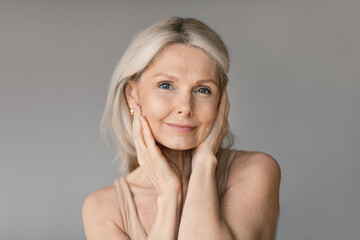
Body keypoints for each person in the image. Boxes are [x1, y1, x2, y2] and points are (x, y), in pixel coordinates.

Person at [82, 17, 281, 240]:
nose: (185, 107)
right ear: (132, 94)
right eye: (166, 85)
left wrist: (204, 162)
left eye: (203, 90)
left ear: (221, 100)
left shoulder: (255, 171)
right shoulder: (103, 208)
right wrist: (168, 194)